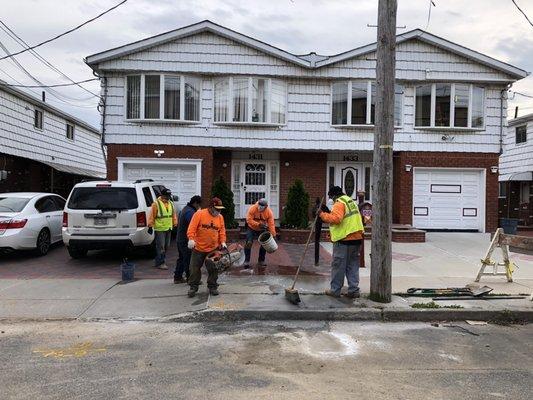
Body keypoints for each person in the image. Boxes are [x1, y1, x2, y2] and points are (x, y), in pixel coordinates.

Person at [318, 186, 364, 299]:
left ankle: (335, 290)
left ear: (334, 195)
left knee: (338, 266)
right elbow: (345, 219)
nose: (331, 200)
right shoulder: (350, 201)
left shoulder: (339, 203)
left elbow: (336, 219)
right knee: (352, 266)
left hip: (344, 240)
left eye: (331, 197)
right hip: (357, 238)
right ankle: (353, 290)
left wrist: (321, 214)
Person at [186, 197, 227, 297]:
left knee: (213, 268)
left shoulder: (220, 217)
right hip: (199, 247)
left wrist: (223, 242)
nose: (218, 211)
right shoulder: (199, 214)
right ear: (211, 207)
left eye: (220, 209)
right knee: (194, 268)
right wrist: (191, 239)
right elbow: (192, 228)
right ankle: (193, 287)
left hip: (213, 248)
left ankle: (212, 286)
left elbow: (222, 231)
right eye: (217, 209)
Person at [174, 195, 202, 284]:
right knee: (188, 259)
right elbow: (193, 225)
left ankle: (177, 277)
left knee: (182, 258)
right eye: (199, 205)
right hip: (185, 240)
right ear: (195, 203)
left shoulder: (186, 209)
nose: (199, 207)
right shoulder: (190, 212)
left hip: (180, 239)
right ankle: (190, 278)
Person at [148, 188, 177, 270]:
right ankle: (161, 263)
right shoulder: (156, 204)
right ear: (162, 195)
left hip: (168, 227)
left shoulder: (171, 203)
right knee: (161, 246)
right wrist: (150, 226)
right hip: (159, 228)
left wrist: (175, 224)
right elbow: (152, 215)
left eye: (169, 196)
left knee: (166, 246)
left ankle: (158, 261)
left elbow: (173, 215)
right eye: (167, 195)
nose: (168, 197)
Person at [243, 198, 276, 269]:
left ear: (266, 207)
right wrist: (258, 224)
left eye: (262, 206)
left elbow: (271, 224)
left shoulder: (269, 212)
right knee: (249, 242)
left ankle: (261, 260)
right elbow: (248, 220)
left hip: (262, 229)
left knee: (265, 244)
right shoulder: (252, 208)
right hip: (251, 227)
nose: (260, 207)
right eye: (259, 205)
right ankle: (246, 260)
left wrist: (273, 235)